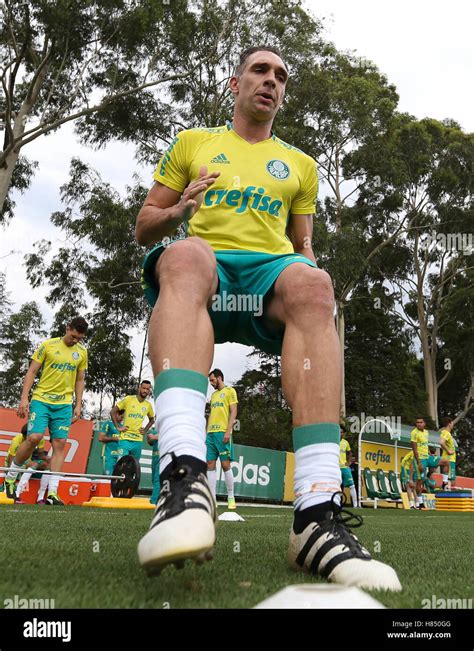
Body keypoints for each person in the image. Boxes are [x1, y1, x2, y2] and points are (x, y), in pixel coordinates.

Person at [135, 45, 400, 590]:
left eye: (281, 75)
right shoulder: (193, 143)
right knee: (183, 253)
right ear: (235, 84)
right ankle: (184, 481)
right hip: (205, 270)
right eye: (260, 70)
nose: (271, 81)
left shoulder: (300, 166)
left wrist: (308, 278)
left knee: (314, 282)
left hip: (266, 277)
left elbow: (302, 245)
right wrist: (180, 211)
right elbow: (145, 225)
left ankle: (315, 518)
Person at [5, 317, 88, 506]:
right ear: (68, 328)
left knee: (59, 444)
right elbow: (32, 371)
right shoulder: (48, 345)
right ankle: (10, 478)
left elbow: (80, 379)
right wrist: (24, 398)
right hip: (42, 400)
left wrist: (78, 404)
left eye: (80, 338)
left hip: (64, 405)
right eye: (74, 336)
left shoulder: (82, 352)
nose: (76, 341)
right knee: (34, 437)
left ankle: (52, 493)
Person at [207, 369, 238, 510]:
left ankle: (231, 497)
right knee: (210, 464)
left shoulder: (230, 391)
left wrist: (228, 431)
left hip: (222, 432)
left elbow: (234, 412)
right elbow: (211, 414)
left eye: (212, 380)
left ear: (219, 378)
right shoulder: (213, 395)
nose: (211, 383)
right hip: (211, 433)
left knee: (226, 465)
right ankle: (212, 499)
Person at [4, 424, 49, 504]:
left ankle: (41, 498)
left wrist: (48, 458)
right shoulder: (16, 440)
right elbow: (11, 460)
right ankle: (16, 495)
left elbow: (40, 454)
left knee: (48, 465)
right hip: (12, 463)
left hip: (27, 462)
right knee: (33, 465)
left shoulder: (40, 439)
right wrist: (12, 474)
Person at [111, 381, 155, 462]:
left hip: (138, 440)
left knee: (133, 467)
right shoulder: (129, 399)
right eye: (143, 388)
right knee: (121, 464)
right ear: (139, 388)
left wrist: (145, 430)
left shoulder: (148, 405)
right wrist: (118, 427)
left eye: (147, 389)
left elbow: (152, 420)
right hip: (125, 439)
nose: (145, 391)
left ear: (149, 391)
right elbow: (113, 412)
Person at [410, 417, 430, 509]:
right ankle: (419, 503)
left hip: (427, 458)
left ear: (424, 423)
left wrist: (430, 454)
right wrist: (419, 462)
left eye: (421, 422)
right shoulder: (414, 433)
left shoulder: (426, 432)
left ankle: (445, 481)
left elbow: (426, 444)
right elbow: (414, 449)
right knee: (419, 481)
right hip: (420, 459)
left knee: (443, 461)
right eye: (417, 422)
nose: (419, 424)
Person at [98, 410, 124, 475]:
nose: (122, 419)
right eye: (121, 417)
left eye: (123, 418)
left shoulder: (122, 427)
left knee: (117, 480)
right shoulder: (108, 423)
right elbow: (100, 438)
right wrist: (113, 438)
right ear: (116, 414)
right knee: (107, 478)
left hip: (119, 456)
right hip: (108, 455)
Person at [339, 425, 358, 507]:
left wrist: (349, 462)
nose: (340, 433)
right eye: (339, 432)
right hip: (335, 468)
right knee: (337, 487)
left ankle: (356, 505)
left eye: (342, 432)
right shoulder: (332, 442)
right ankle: (336, 504)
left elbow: (350, 453)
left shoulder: (345, 442)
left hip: (344, 467)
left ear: (343, 433)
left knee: (352, 485)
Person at [439, 416, 457, 489]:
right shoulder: (446, 433)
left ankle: (446, 492)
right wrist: (448, 451)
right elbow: (441, 442)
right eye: (452, 423)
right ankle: (447, 495)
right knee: (450, 480)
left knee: (450, 480)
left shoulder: (444, 432)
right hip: (449, 459)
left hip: (449, 458)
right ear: (449, 424)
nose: (453, 425)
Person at [147, 428, 160, 505]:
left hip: (164, 456)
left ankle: (154, 501)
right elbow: (149, 440)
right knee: (154, 479)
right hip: (155, 457)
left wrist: (156, 437)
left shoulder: (169, 428)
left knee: (157, 478)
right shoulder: (153, 430)